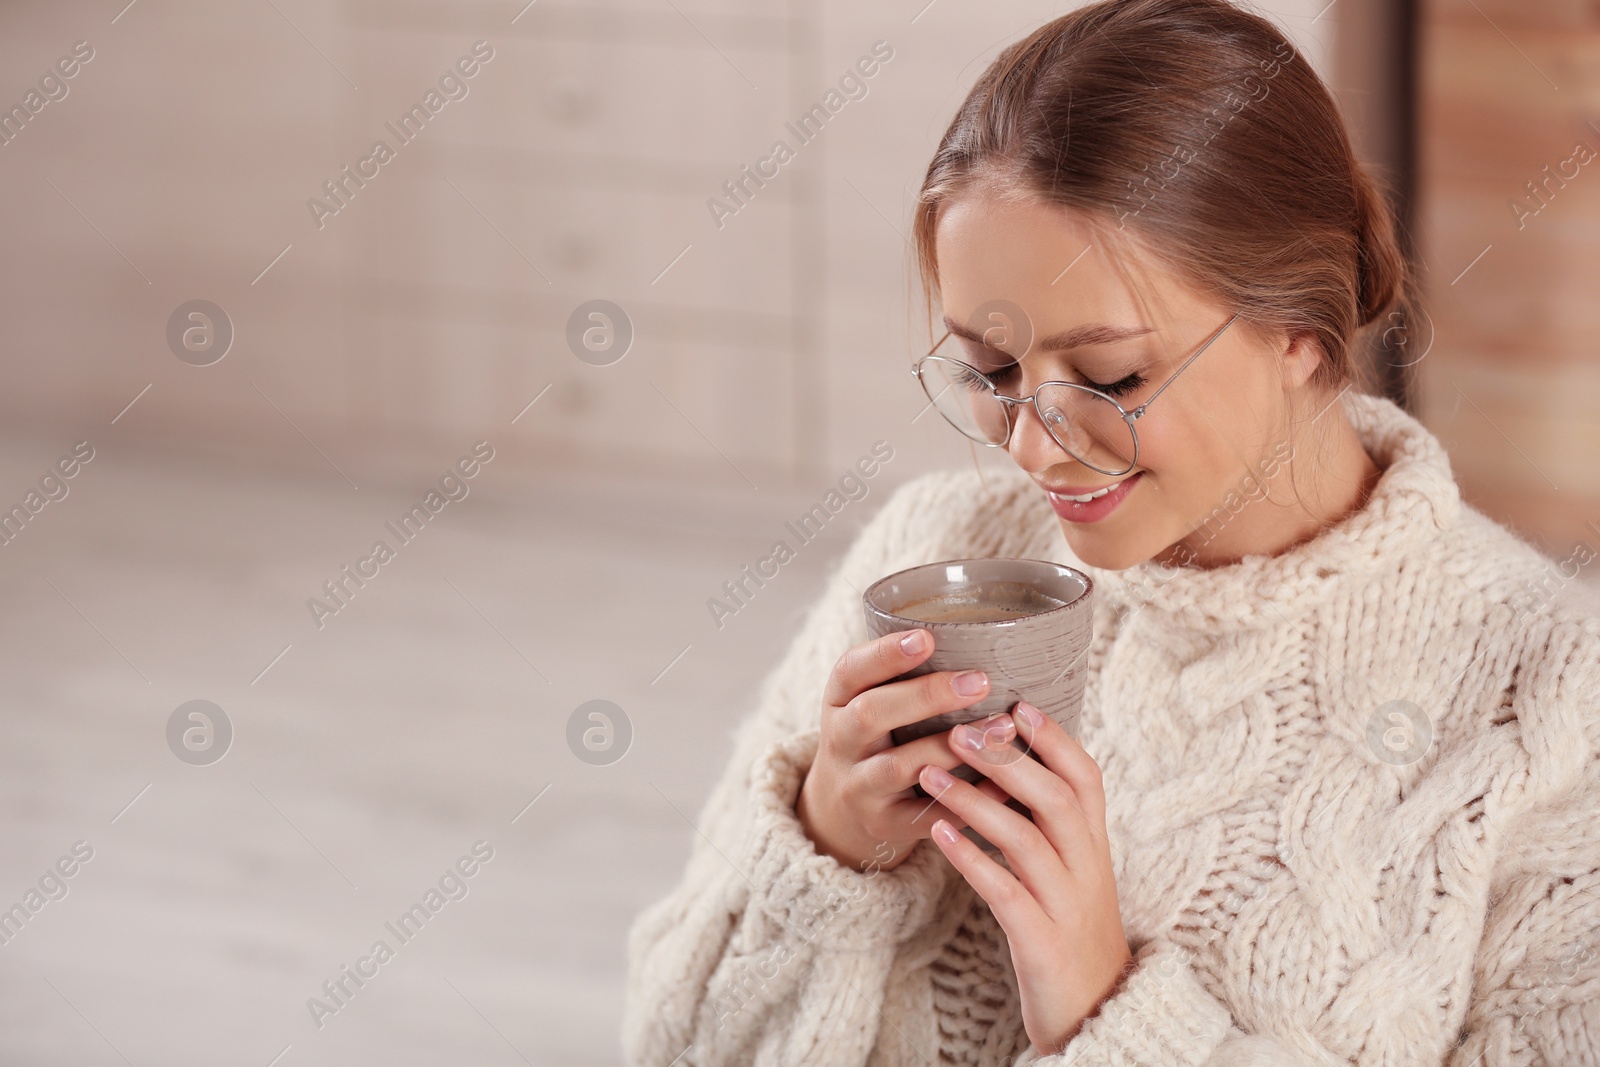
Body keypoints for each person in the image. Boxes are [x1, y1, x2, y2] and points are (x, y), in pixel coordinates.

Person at [620, 0, 1600, 1062]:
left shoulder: (1547, 695)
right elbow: (673, 1043)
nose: (1034, 452)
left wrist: (1107, 1008)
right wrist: (822, 849)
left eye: (1111, 376)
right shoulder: (935, 549)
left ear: (1301, 328)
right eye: (993, 371)